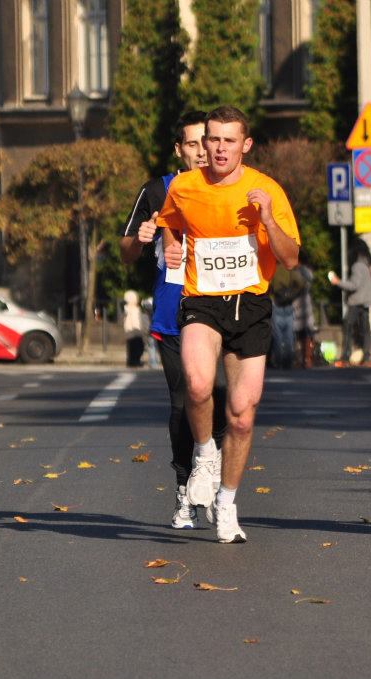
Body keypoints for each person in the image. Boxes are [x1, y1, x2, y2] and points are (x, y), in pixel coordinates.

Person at [157, 105, 300, 544]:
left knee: (241, 415)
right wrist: (171, 246)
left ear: (245, 145)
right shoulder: (184, 186)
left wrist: (269, 218)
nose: (218, 149)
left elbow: (291, 258)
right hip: (202, 302)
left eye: (228, 141)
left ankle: (227, 502)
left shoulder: (265, 188)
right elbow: (169, 222)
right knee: (198, 385)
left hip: (251, 305)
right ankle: (204, 454)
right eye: (211, 140)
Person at [119, 110, 227, 530]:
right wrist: (142, 238)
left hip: (221, 313)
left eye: (208, 141)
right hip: (173, 313)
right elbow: (126, 250)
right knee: (184, 402)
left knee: (221, 398)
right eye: (193, 144)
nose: (203, 151)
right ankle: (185, 489)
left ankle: (215, 480)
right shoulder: (155, 190)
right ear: (179, 150)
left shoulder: (232, 190)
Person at [329, 237, 371, 367]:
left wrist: (337, 282)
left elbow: (353, 285)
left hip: (356, 302)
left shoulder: (357, 266)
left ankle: (345, 357)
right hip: (366, 301)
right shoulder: (369, 265)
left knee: (348, 328)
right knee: (366, 330)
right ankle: (368, 357)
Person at [268, 265, 305, 369]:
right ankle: (288, 363)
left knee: (277, 337)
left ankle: (278, 362)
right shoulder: (289, 270)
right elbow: (301, 283)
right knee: (289, 336)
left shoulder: (273, 269)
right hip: (288, 305)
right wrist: (293, 294)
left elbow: (267, 285)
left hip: (276, 304)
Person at [293, 249, 317, 368]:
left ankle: (303, 359)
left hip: (297, 304)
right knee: (306, 334)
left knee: (299, 334)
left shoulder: (298, 271)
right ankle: (307, 359)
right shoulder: (308, 271)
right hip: (305, 304)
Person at [123, 290, 145, 367]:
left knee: (137, 346)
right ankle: (133, 361)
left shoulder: (136, 308)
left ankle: (135, 360)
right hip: (132, 330)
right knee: (133, 347)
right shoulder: (127, 308)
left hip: (136, 330)